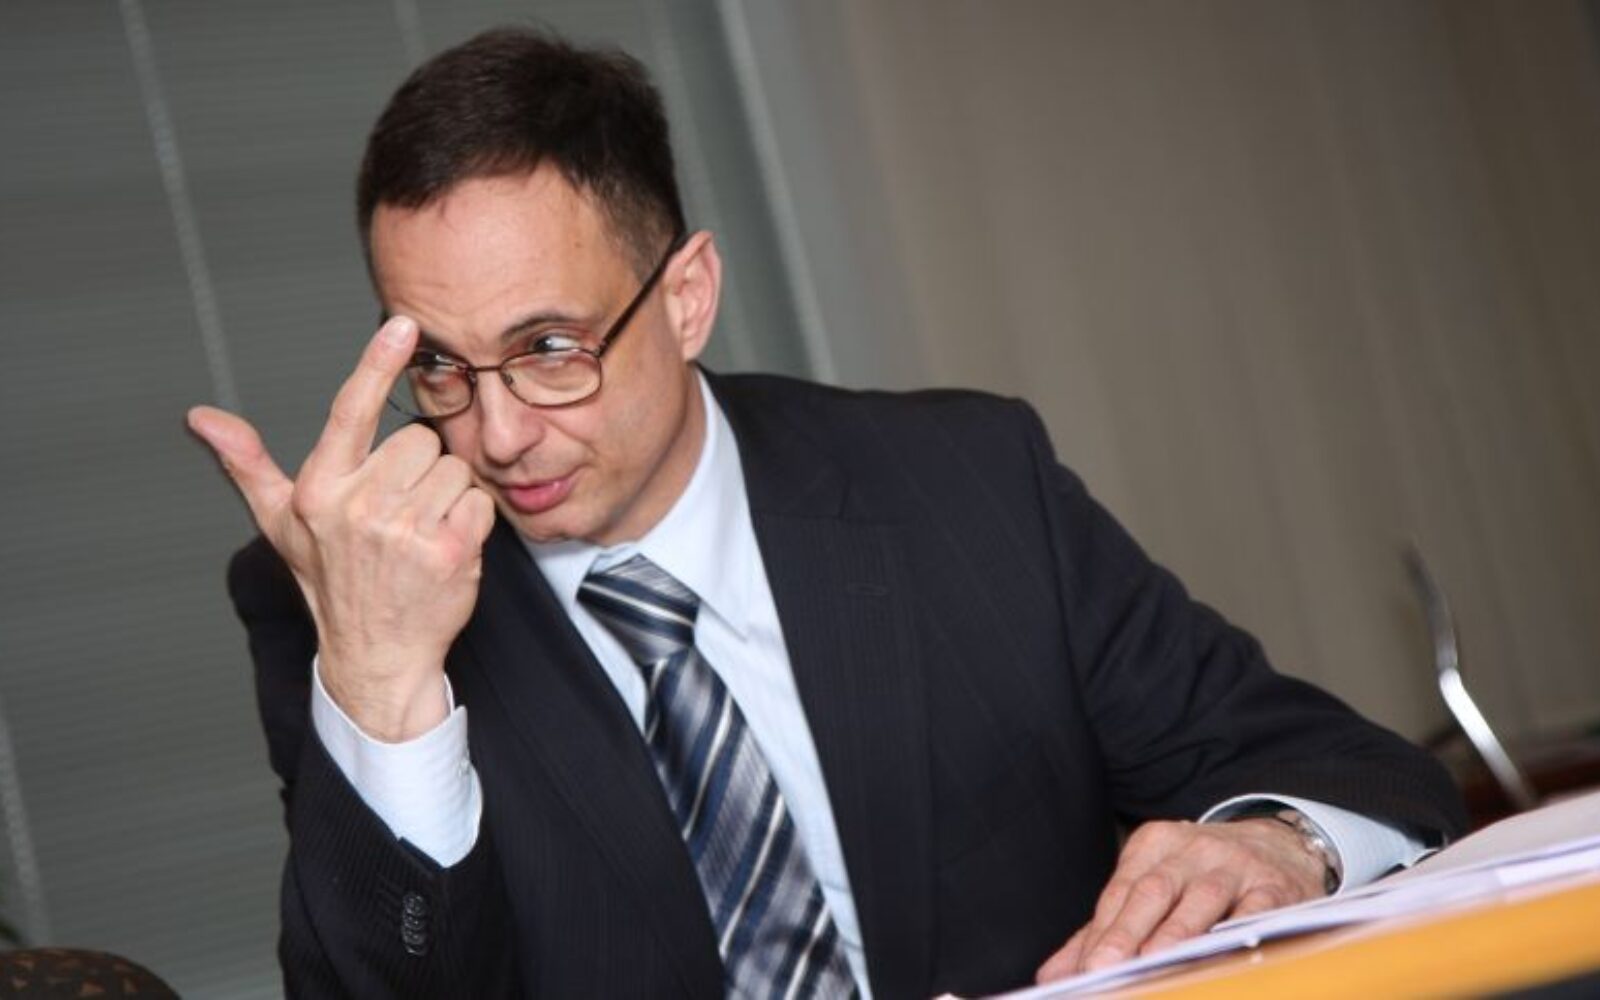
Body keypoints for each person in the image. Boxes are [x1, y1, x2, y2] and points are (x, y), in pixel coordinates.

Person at [189, 27, 1465, 999]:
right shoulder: (342, 592)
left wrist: (1278, 845)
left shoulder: (965, 482)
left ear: (686, 297)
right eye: (438, 367)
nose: (496, 432)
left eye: (550, 349)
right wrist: (382, 682)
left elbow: (1337, 766)